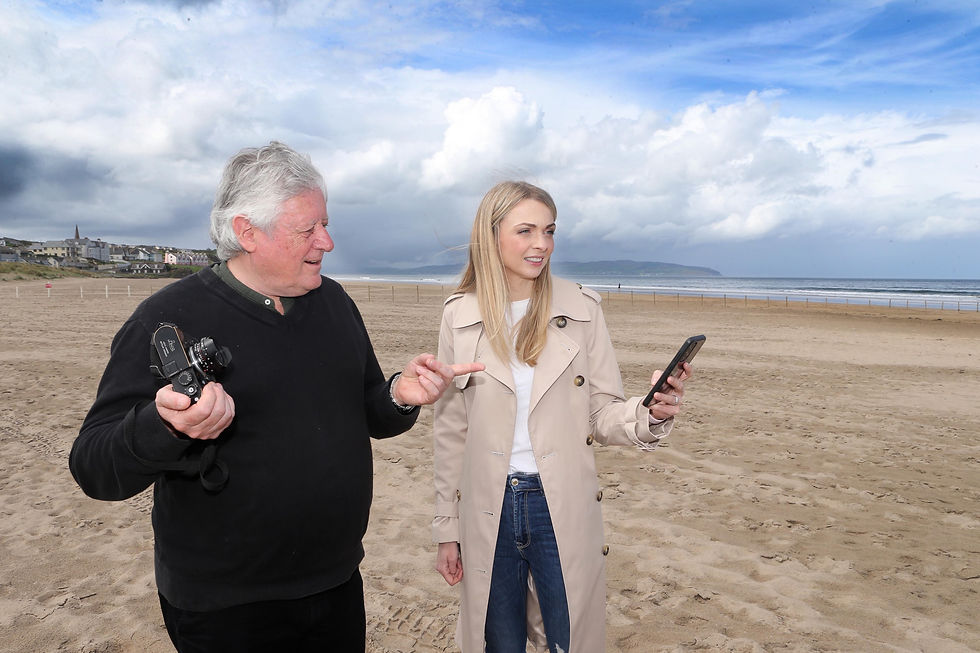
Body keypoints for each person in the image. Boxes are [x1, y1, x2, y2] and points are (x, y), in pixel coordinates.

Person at [70, 141, 483, 653]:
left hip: (335, 582)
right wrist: (165, 426)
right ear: (247, 232)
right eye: (308, 230)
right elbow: (94, 468)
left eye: (325, 224)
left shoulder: (334, 303)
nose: (327, 241)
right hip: (225, 607)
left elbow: (369, 412)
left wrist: (400, 395)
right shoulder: (167, 318)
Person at [431, 181, 692, 652]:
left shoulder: (582, 308)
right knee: (498, 643)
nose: (542, 244)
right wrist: (447, 529)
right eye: (526, 231)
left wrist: (648, 414)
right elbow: (450, 432)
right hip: (486, 508)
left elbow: (601, 413)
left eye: (549, 231)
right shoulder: (459, 314)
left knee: (570, 640)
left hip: (560, 505)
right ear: (491, 235)